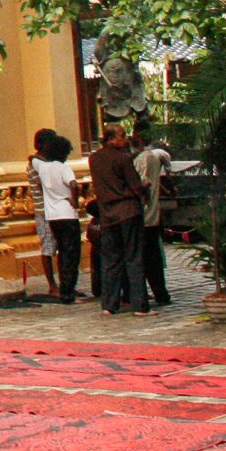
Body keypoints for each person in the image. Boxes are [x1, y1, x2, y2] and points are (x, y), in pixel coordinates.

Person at [88, 124, 150, 315]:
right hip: (128, 210)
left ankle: (109, 304)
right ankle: (139, 305)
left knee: (111, 260)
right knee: (134, 258)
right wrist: (144, 186)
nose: (125, 139)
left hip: (107, 213)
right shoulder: (122, 159)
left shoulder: (94, 158)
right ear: (112, 139)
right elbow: (136, 186)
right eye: (122, 136)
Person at [35, 134, 84, 304]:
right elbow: (74, 185)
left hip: (52, 215)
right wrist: (74, 201)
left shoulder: (42, 168)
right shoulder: (64, 168)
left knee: (62, 252)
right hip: (67, 214)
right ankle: (68, 291)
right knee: (72, 255)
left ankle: (65, 290)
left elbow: (32, 158)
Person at [134, 131, 174, 306]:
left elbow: (145, 183)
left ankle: (155, 293)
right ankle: (157, 293)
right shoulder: (147, 157)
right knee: (151, 257)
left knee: (147, 256)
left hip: (144, 215)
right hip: (146, 215)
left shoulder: (146, 158)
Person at [26, 127, 58, 295]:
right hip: (44, 211)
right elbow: (45, 185)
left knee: (61, 247)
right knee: (47, 247)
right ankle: (52, 285)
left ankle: (64, 283)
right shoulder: (35, 164)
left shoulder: (49, 163)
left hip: (56, 210)